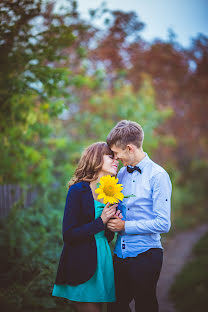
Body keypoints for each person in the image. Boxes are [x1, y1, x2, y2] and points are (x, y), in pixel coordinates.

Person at [106, 120, 172, 312]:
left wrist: (125, 226)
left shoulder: (158, 176)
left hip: (146, 255)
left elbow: (163, 223)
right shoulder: (120, 174)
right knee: (116, 306)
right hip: (119, 253)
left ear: (129, 148)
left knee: (145, 306)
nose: (115, 158)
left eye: (117, 153)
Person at [52, 142, 121, 312]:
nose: (116, 160)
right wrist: (101, 221)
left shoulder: (109, 192)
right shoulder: (77, 190)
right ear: (96, 159)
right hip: (81, 260)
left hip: (102, 258)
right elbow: (68, 234)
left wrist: (111, 225)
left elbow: (106, 236)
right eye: (111, 156)